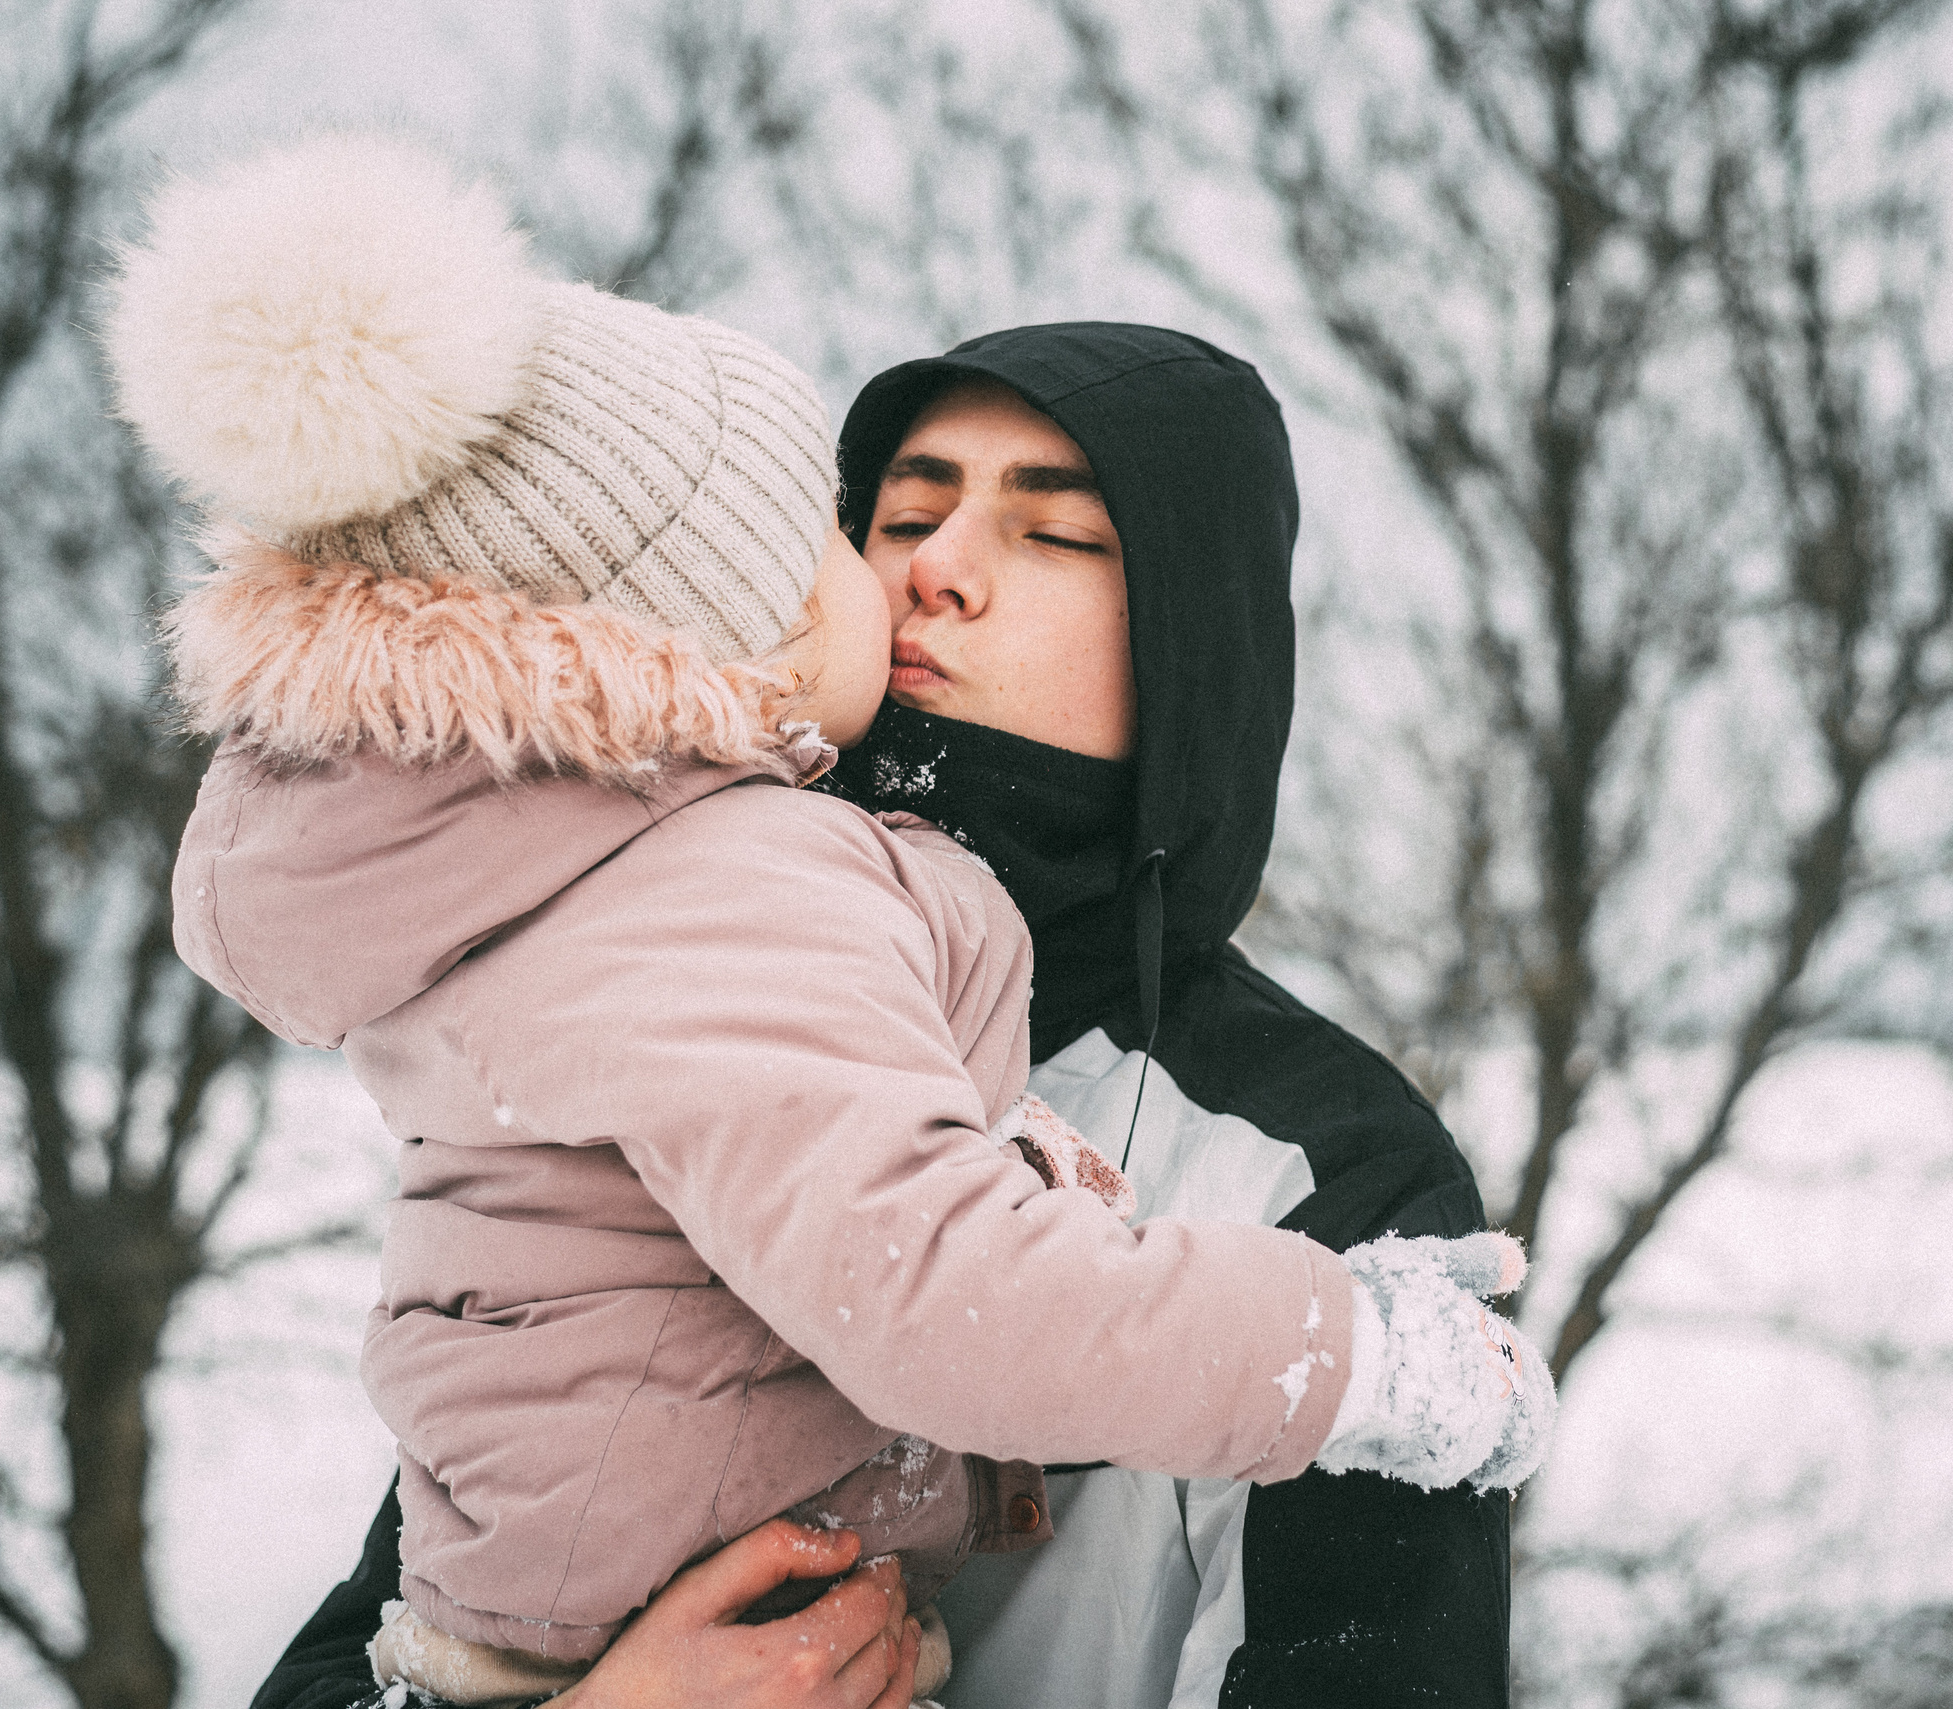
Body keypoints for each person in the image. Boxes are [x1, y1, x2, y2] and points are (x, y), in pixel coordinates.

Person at [122, 145, 1541, 1709]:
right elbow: (376, 1640)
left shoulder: (1328, 1166)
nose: (937, 568)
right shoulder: (674, 961)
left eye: (1057, 535)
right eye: (899, 513)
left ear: (1197, 646)